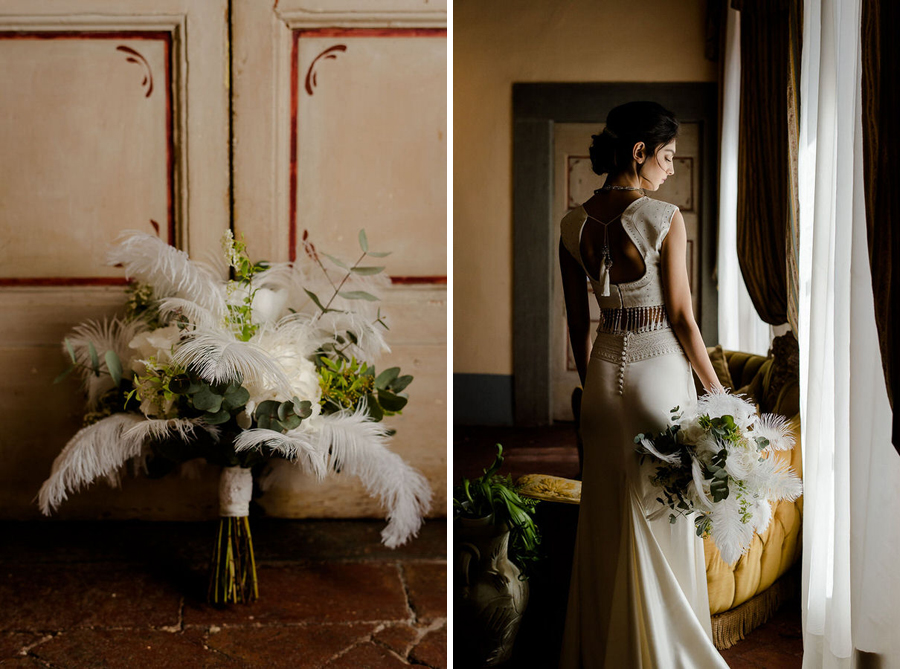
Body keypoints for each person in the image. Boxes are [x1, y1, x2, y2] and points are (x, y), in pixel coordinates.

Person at [557, 101, 729, 668]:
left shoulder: (571, 223)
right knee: (663, 514)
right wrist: (717, 393)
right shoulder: (663, 217)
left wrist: (595, 391)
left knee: (607, 514)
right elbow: (682, 316)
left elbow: (578, 324)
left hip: (604, 379)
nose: (671, 169)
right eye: (668, 156)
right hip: (659, 373)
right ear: (639, 153)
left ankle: (607, 647)